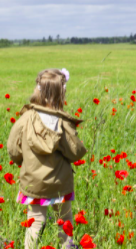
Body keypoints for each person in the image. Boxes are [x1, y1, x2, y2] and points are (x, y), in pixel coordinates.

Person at [7, 68, 87, 249]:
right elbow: (76, 152)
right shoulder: (63, 123)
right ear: (61, 94)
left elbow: (13, 149)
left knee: (35, 221)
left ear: (38, 90)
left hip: (33, 183)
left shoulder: (25, 119)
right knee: (64, 221)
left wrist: (25, 162)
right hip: (60, 183)